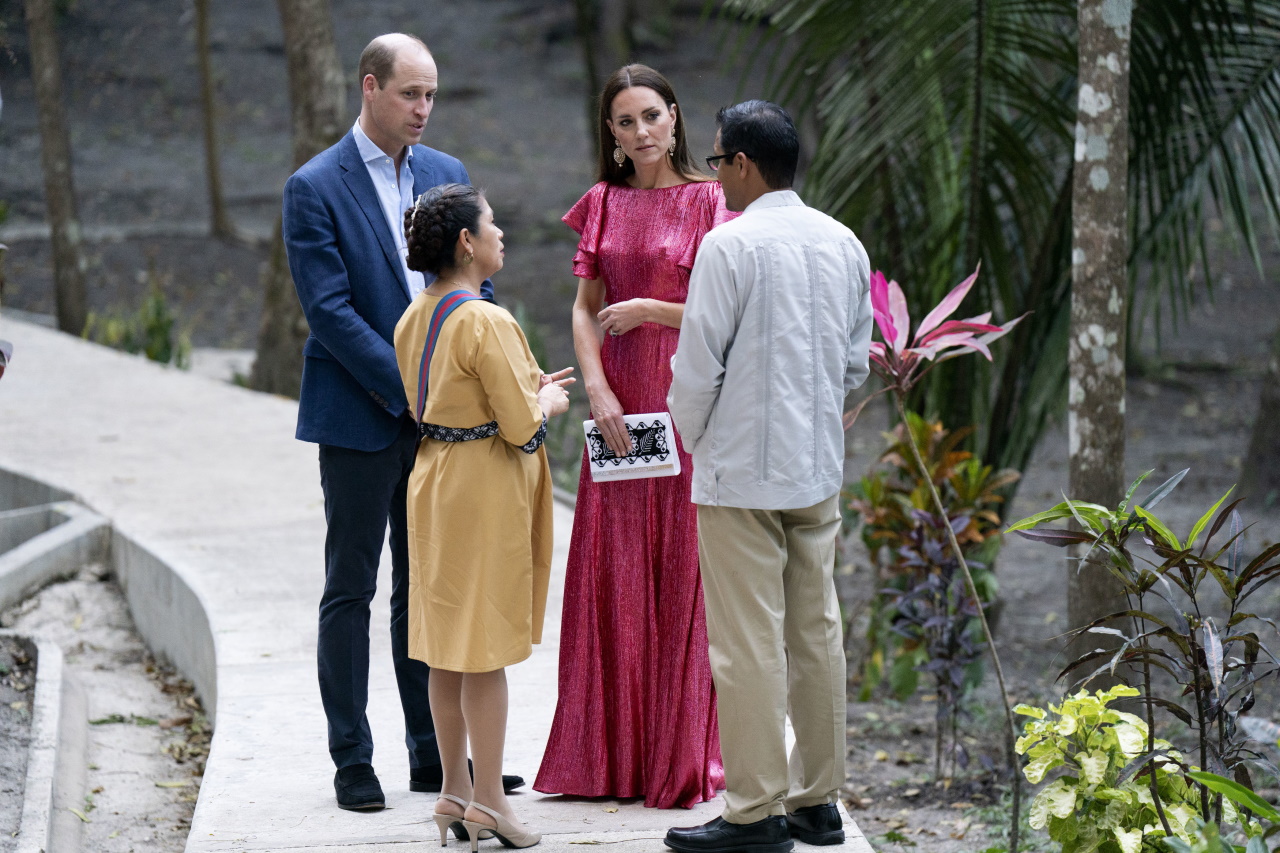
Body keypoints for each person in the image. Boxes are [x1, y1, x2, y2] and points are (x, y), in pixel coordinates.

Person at [282, 32, 520, 810]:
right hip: (360, 414)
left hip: (443, 428)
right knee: (350, 585)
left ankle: (435, 756)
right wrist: (416, 387)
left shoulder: (447, 175)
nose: (424, 109)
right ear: (369, 88)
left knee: (428, 591)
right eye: (411, 94)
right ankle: (353, 756)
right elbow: (330, 313)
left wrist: (475, 392)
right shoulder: (314, 186)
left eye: (432, 95)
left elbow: (471, 295)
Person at [664, 101, 874, 853]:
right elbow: (855, 365)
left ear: (743, 164)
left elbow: (696, 370)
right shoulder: (844, 242)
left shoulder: (730, 246)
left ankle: (754, 811)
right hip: (815, 470)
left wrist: (695, 438)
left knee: (746, 642)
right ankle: (817, 802)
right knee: (816, 632)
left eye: (718, 160)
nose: (715, 173)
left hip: (742, 476)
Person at [533, 64, 734, 810]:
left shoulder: (714, 200)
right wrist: (599, 389)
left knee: (681, 569)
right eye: (625, 122)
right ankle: (604, 759)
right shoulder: (605, 202)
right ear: (611, 136)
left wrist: (652, 307)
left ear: (676, 118)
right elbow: (586, 309)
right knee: (613, 571)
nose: (641, 131)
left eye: (652, 115)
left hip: (683, 404)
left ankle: (677, 758)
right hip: (619, 407)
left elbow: (729, 311)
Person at [394, 183, 573, 850]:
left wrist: (520, 397)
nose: (501, 234)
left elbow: (435, 402)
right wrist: (548, 400)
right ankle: (492, 802)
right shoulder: (486, 319)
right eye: (492, 224)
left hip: (435, 476)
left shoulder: (416, 315)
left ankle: (453, 789)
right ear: (467, 242)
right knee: (486, 649)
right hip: (484, 487)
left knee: (447, 645)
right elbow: (522, 427)